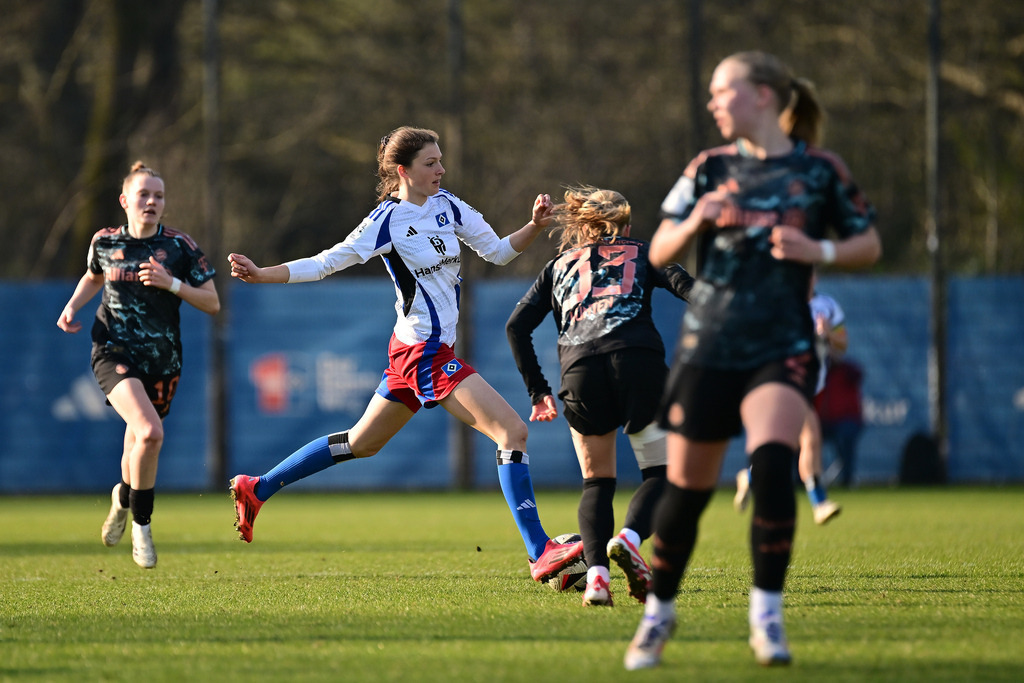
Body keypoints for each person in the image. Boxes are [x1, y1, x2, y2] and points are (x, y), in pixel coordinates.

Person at [225, 126, 584, 584]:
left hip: (415, 351)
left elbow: (496, 252)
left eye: (440, 161)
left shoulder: (448, 205)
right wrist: (262, 274)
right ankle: (540, 552)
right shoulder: (386, 220)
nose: (441, 169)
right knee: (512, 431)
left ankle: (258, 487)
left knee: (362, 443)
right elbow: (326, 261)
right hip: (422, 352)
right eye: (431, 163)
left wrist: (533, 225)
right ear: (403, 171)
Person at [623, 50, 881, 670]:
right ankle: (659, 612)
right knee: (686, 491)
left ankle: (766, 614)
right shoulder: (708, 168)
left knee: (771, 465)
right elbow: (657, 248)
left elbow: (868, 242)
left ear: (762, 94)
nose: (712, 102)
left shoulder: (819, 171)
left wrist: (817, 246)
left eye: (722, 90)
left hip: (782, 343)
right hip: (709, 344)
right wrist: (696, 222)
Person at [506, 186, 694, 606]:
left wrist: (539, 391)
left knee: (597, 483)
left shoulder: (557, 265)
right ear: (626, 224)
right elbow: (689, 289)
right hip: (637, 362)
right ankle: (628, 539)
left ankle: (596, 580)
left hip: (580, 371)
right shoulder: (644, 251)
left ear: (581, 227)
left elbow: (516, 326)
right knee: (661, 473)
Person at [56, 161, 221, 569]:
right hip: (112, 351)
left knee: (138, 443)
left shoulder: (180, 247)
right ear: (125, 200)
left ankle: (122, 500)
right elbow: (95, 276)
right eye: (144, 194)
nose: (151, 201)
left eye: (159, 196)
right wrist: (73, 306)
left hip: (162, 360)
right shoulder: (105, 242)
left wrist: (173, 284)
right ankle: (142, 527)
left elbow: (213, 302)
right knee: (149, 432)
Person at [733, 272, 847, 525]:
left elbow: (842, 346)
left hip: (814, 387)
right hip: (789, 382)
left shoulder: (827, 306)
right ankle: (820, 502)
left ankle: (749, 476)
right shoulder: (782, 303)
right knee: (812, 437)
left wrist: (828, 334)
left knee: (783, 448)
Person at [816, 356, 865, 488]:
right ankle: (807, 482)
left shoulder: (846, 370)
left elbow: (858, 374)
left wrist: (836, 361)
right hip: (821, 421)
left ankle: (847, 480)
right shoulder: (817, 371)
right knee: (805, 439)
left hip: (844, 420)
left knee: (845, 436)